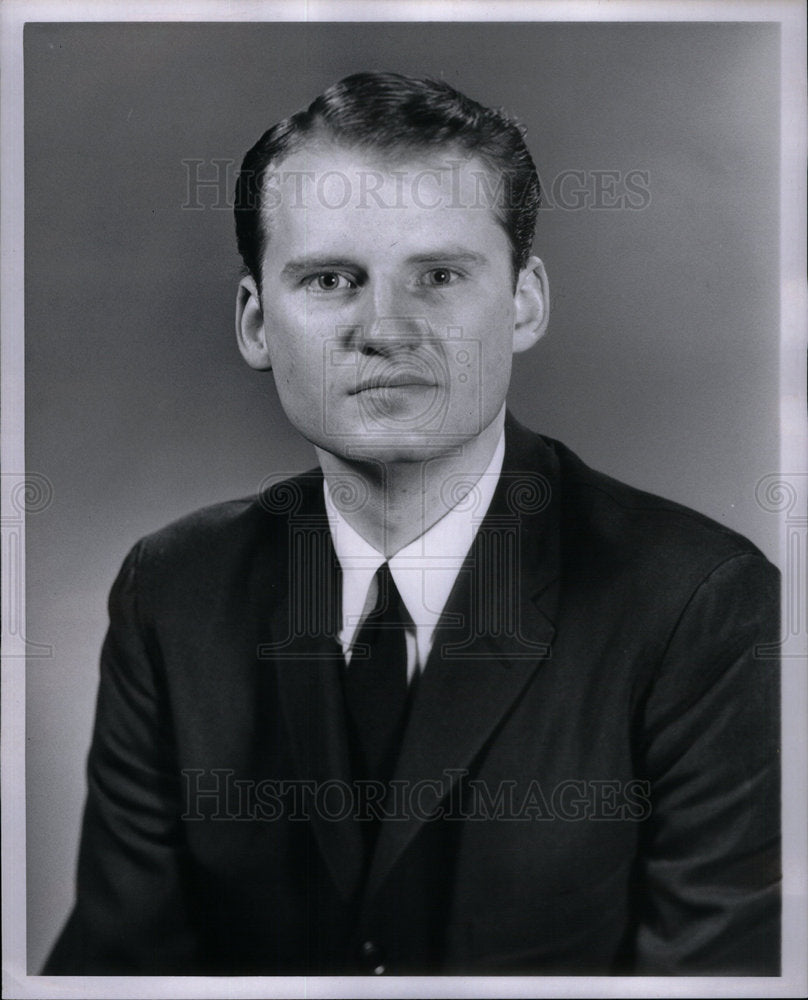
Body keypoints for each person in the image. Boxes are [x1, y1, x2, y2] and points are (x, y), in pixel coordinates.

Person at [43, 71, 780, 977]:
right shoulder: (173, 590)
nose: (385, 328)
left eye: (437, 275)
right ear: (254, 322)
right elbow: (123, 971)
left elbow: (720, 980)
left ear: (524, 302)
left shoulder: (696, 602)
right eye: (328, 279)